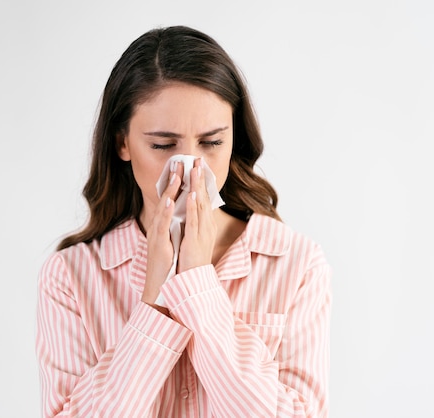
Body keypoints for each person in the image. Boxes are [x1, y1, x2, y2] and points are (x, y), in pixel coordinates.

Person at [36, 25, 332, 417]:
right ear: (122, 142)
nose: (192, 168)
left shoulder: (296, 264)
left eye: (211, 143)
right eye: (162, 145)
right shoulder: (71, 277)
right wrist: (155, 300)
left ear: (234, 139)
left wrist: (198, 286)